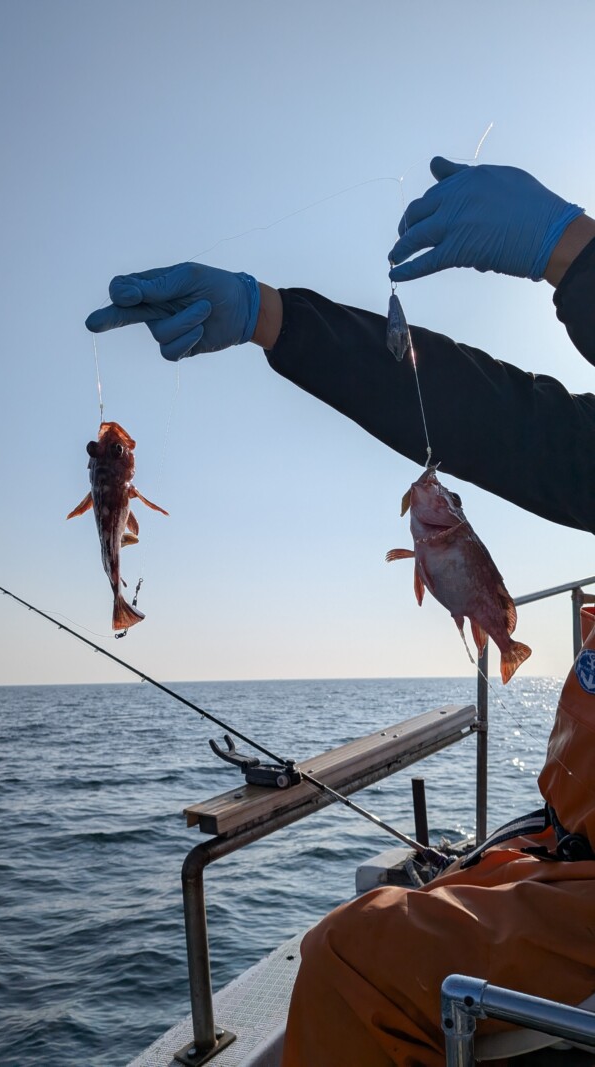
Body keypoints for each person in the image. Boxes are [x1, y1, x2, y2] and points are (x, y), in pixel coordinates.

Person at [87, 159, 595, 1066]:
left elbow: (512, 427)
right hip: (572, 834)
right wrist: (272, 318)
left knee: (348, 963)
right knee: (413, 895)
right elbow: (497, 418)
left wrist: (574, 252)